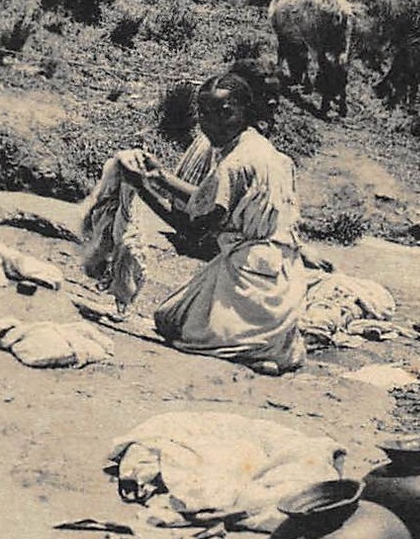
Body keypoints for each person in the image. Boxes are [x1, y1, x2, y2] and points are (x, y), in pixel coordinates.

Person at [116, 69, 328, 374]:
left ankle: (250, 351)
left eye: (224, 113)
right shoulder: (264, 152)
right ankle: (267, 346)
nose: (211, 122)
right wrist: (161, 176)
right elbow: (215, 198)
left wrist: (140, 186)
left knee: (175, 326)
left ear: (245, 112)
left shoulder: (233, 164)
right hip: (281, 281)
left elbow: (191, 226)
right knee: (173, 317)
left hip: (249, 276)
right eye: (204, 113)